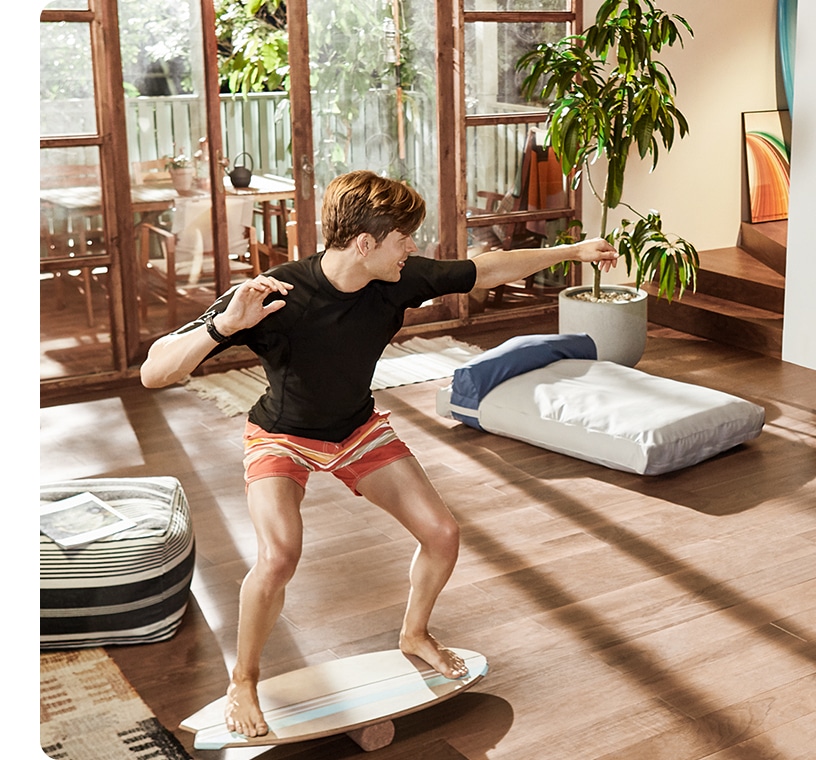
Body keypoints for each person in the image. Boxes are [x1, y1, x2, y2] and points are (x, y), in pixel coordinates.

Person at [140, 170, 618, 738]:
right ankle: (242, 678)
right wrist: (223, 327)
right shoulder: (276, 294)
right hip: (282, 436)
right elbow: (154, 372)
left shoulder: (397, 278)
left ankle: (414, 633)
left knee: (442, 533)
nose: (412, 247)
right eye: (403, 237)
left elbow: (483, 268)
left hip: (357, 430)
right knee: (278, 556)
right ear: (365, 243)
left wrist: (577, 249)